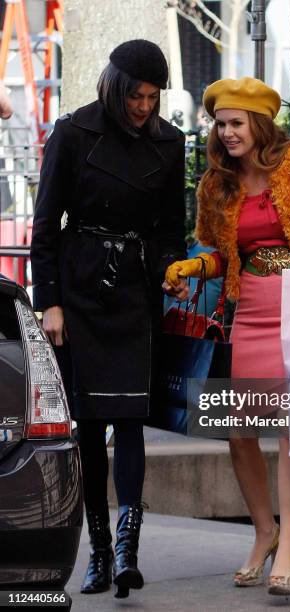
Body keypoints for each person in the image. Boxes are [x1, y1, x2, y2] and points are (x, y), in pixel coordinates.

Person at [164, 76, 290, 598]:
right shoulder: (216, 185)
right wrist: (193, 265)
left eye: (235, 123)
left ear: (259, 124)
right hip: (249, 312)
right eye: (220, 124)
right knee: (239, 428)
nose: (226, 133)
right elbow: (219, 256)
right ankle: (264, 531)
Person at [31, 39, 188, 599]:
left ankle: (128, 551)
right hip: (80, 292)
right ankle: (98, 553)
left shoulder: (170, 143)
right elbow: (45, 226)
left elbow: (171, 227)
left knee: (130, 420)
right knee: (91, 428)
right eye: (136, 96)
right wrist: (48, 301)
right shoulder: (72, 134)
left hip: (136, 293)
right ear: (114, 86)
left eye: (152, 97)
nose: (144, 106)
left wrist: (174, 266)